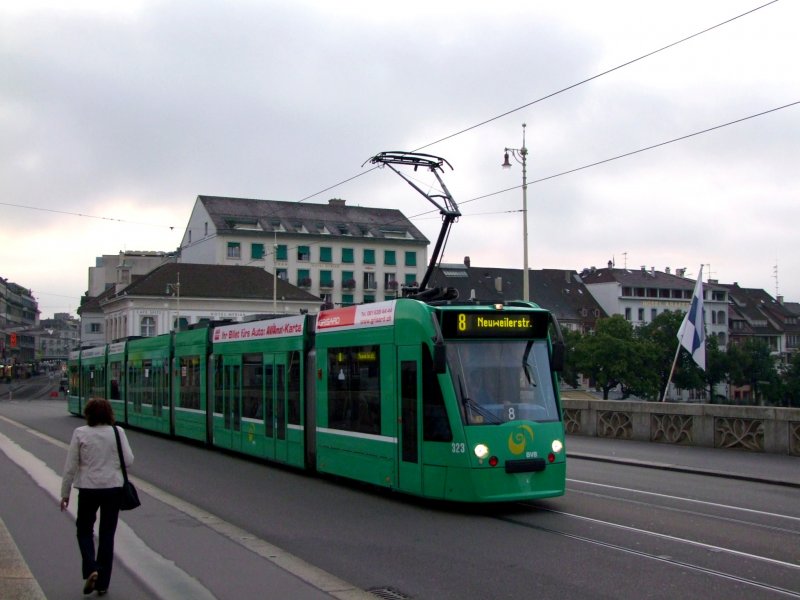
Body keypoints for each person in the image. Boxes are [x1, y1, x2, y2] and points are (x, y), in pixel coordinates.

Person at [60, 398, 134, 596]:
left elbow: (70, 467)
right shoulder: (118, 433)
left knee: (84, 530)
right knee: (107, 534)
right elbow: (128, 460)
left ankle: (91, 567)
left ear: (88, 414)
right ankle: (102, 583)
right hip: (113, 489)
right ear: (109, 414)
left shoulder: (80, 433)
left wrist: (65, 494)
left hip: (88, 489)